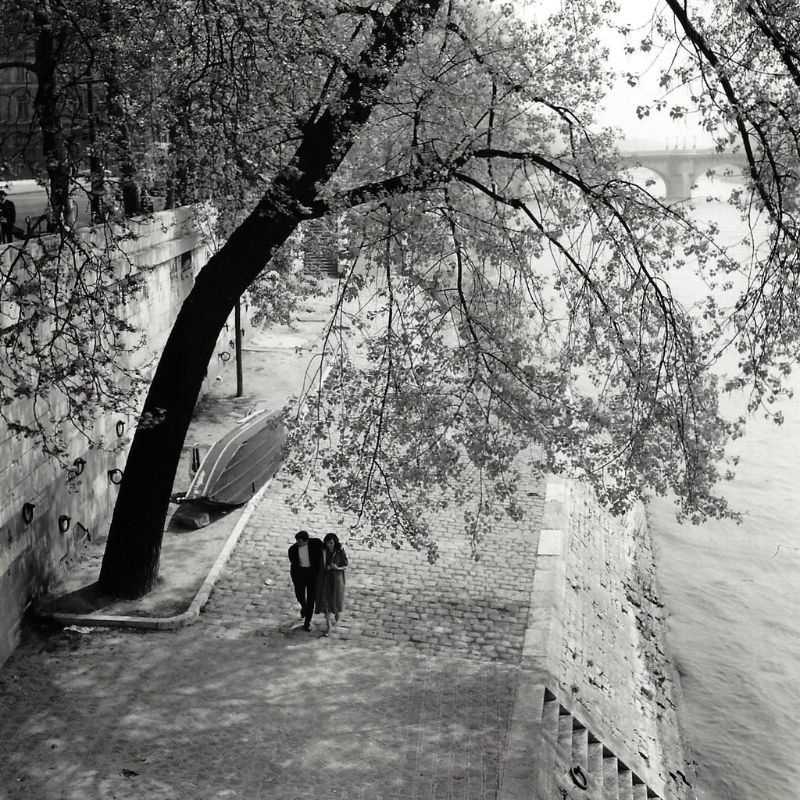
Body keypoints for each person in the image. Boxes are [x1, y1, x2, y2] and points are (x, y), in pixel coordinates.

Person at [287, 530, 323, 631]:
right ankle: (304, 606)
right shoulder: (293, 549)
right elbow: (292, 561)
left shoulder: (316, 543)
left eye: (299, 542)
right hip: (300, 575)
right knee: (300, 595)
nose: (297, 544)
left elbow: (325, 550)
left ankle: (307, 622)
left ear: (305, 541)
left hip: (312, 575)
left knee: (311, 598)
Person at [315, 532, 348, 636]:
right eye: (327, 543)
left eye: (331, 543)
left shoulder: (340, 551)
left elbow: (345, 565)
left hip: (336, 580)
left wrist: (336, 568)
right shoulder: (323, 551)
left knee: (336, 600)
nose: (329, 545)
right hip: (325, 580)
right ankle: (329, 626)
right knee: (326, 604)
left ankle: (337, 612)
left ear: (335, 542)